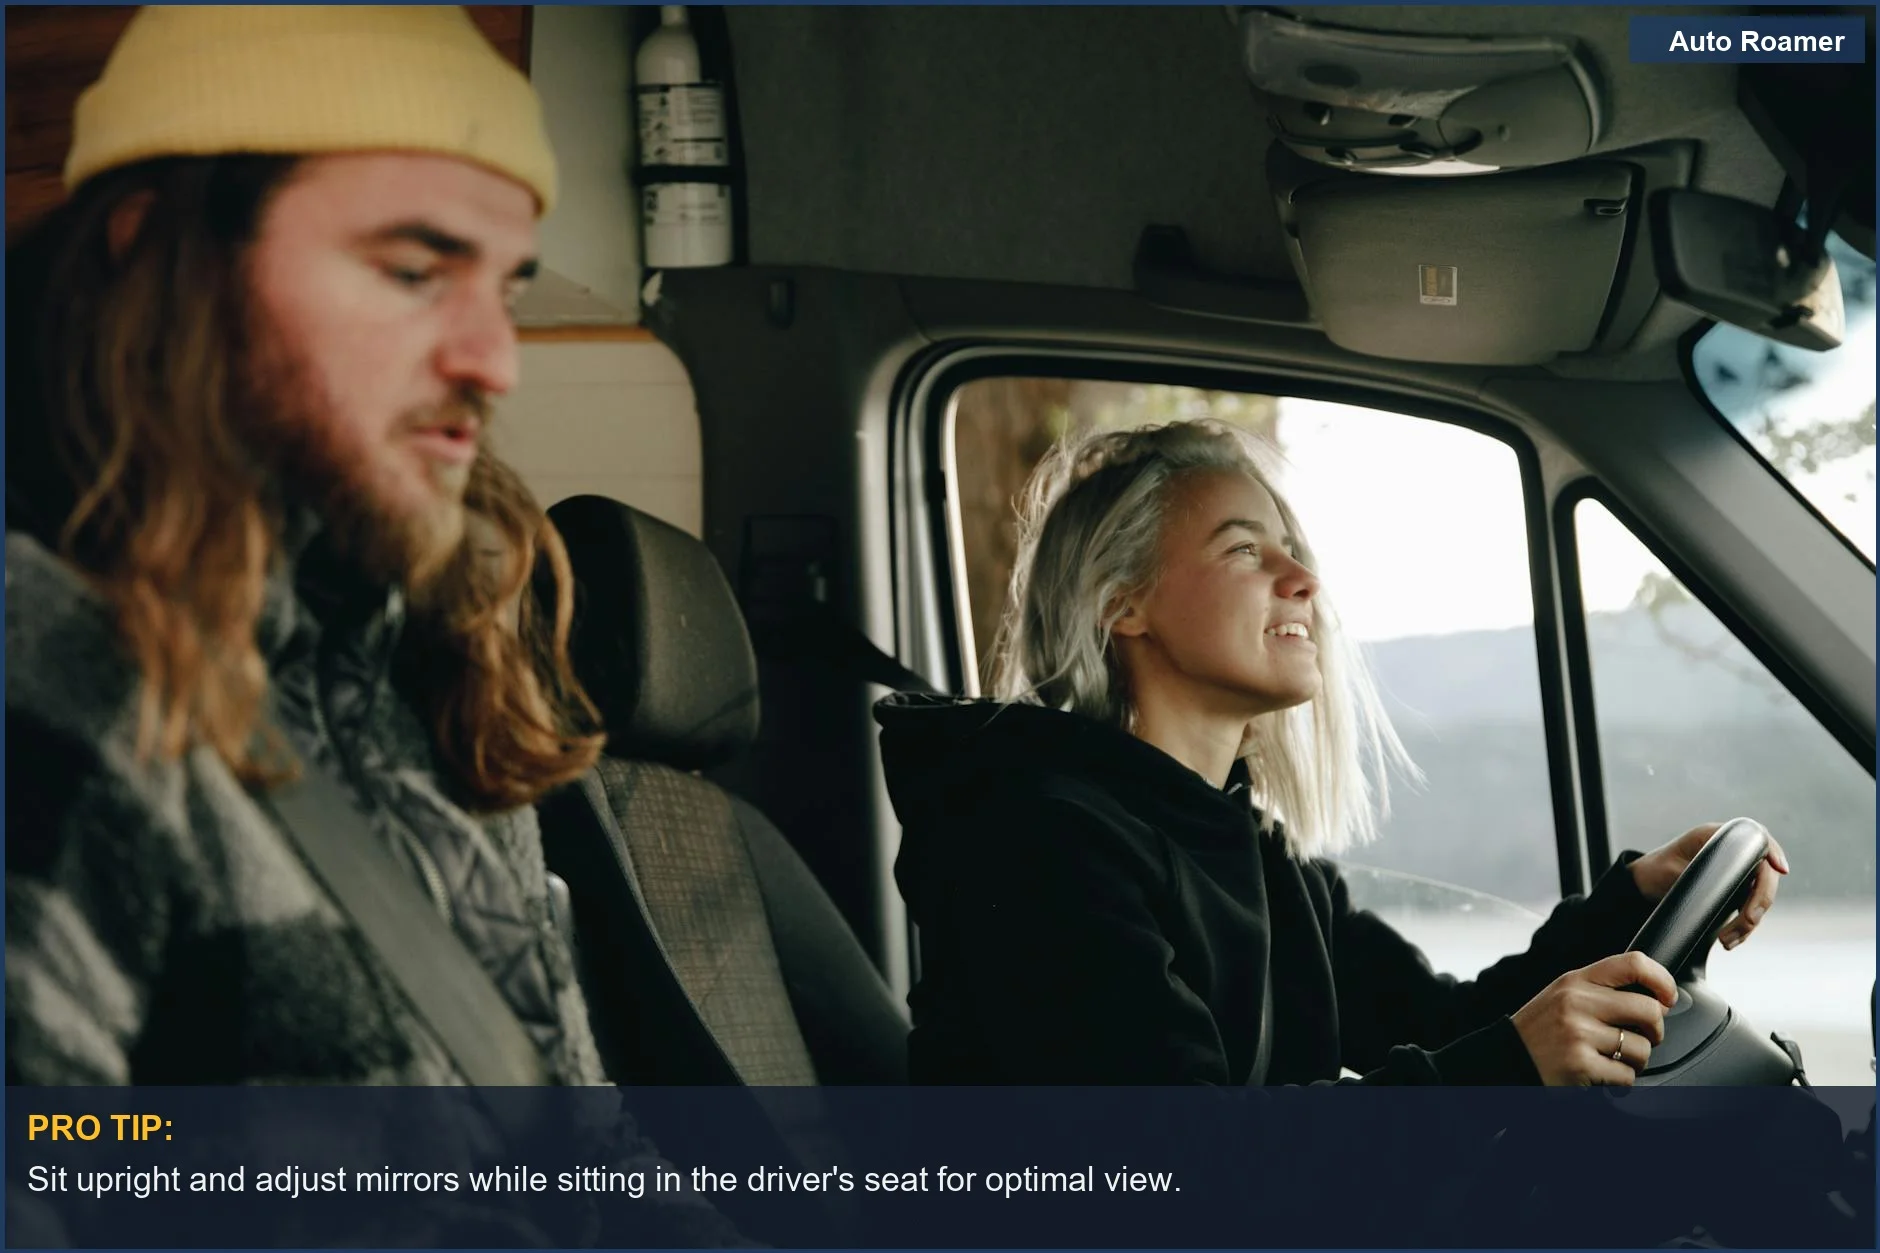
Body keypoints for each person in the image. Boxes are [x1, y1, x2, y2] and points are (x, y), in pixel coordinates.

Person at [4, 7, 747, 1244]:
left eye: (501, 286)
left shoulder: (439, 660)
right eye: (412, 270)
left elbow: (581, 1153)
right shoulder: (51, 682)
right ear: (158, 255)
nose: (495, 357)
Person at [876, 419, 1789, 1085]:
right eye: (1246, 550)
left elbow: (1441, 1019)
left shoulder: (1248, 849)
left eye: (1294, 550)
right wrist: (1505, 1067)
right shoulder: (1038, 841)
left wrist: (1627, 904)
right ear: (1124, 605)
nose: (1304, 578)